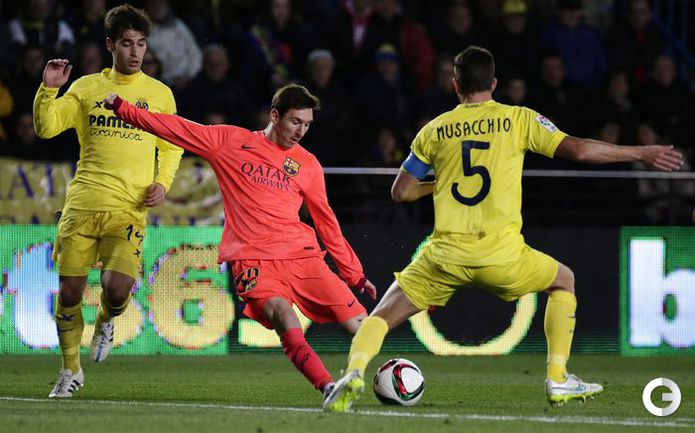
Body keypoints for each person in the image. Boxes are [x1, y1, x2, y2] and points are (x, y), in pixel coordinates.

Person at [323, 46, 683, 412]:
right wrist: (641, 153)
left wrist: (440, 183)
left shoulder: (434, 130)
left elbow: (400, 192)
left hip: (445, 257)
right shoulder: (519, 119)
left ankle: (353, 373)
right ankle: (557, 377)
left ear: (455, 84)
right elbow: (580, 151)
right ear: (494, 83)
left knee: (380, 317)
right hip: (502, 256)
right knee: (563, 281)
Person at [101, 83, 378, 398]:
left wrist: (354, 274)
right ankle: (329, 388)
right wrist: (124, 109)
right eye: (295, 122)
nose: (301, 131)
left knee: (361, 324)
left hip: (302, 257)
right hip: (254, 261)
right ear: (275, 116)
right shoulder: (231, 142)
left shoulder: (308, 164)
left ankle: (388, 375)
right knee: (283, 315)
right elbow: (176, 128)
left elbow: (326, 222)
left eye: (307, 124)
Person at [33, 4, 183, 398]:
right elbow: (46, 128)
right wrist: (48, 89)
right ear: (110, 45)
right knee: (69, 294)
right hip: (83, 205)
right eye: (127, 43)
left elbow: (171, 147)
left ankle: (106, 319)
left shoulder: (160, 95)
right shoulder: (86, 88)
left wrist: (163, 183)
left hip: (128, 209)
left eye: (141, 43)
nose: (135, 51)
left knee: (117, 290)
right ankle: (70, 370)